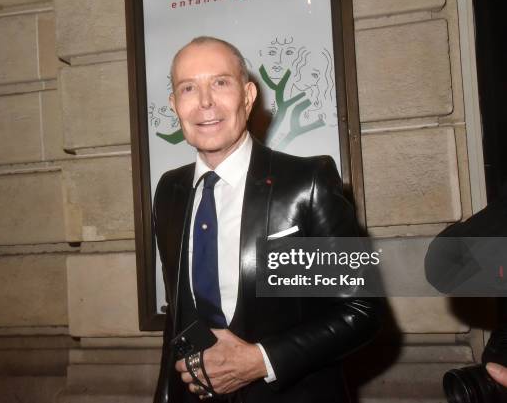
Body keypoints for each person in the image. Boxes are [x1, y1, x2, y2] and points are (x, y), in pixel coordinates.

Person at [152, 36, 382, 403]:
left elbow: (361, 310)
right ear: (174, 105)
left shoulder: (307, 183)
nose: (205, 101)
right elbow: (177, 316)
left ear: (247, 96)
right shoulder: (169, 191)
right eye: (188, 88)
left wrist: (261, 360)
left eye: (220, 83)